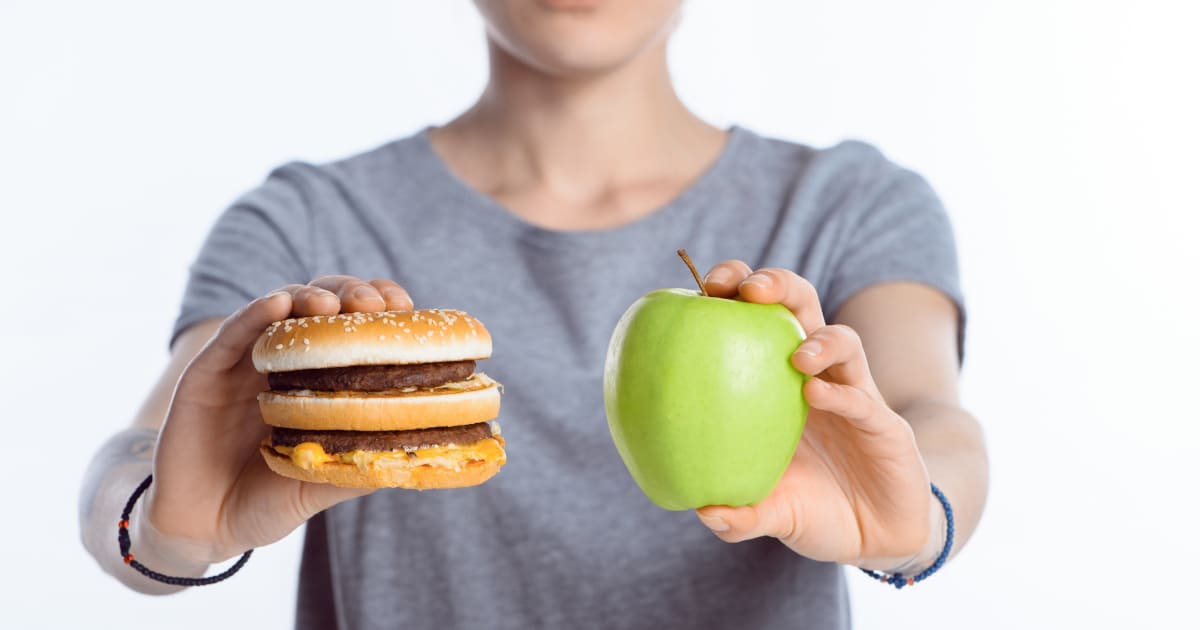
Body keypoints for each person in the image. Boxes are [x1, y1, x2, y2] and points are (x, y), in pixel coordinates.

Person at [79, 1, 989, 628]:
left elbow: (931, 417)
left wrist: (920, 517)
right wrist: (169, 527)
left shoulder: (850, 204)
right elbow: (131, 470)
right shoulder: (305, 220)